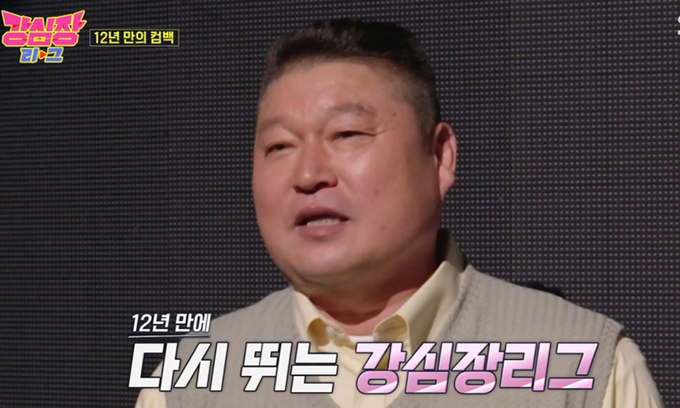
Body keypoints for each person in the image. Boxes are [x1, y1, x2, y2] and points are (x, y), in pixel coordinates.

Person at [135, 19, 664, 408]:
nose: (308, 173)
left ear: (440, 156)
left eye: (347, 134)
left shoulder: (584, 366)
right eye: (279, 146)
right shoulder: (189, 381)